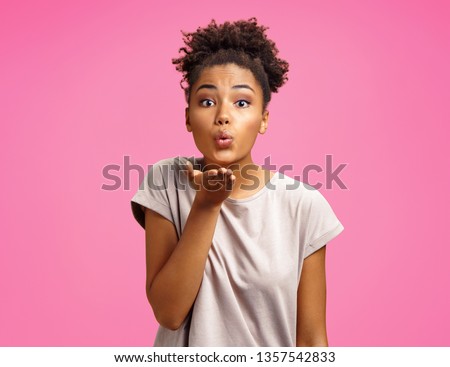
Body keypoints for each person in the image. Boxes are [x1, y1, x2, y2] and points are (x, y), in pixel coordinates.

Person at [130, 17, 344, 347]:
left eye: (242, 102)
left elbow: (313, 338)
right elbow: (169, 312)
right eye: (206, 101)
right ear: (187, 116)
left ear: (263, 119)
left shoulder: (303, 205)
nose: (223, 116)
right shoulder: (165, 181)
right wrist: (206, 205)